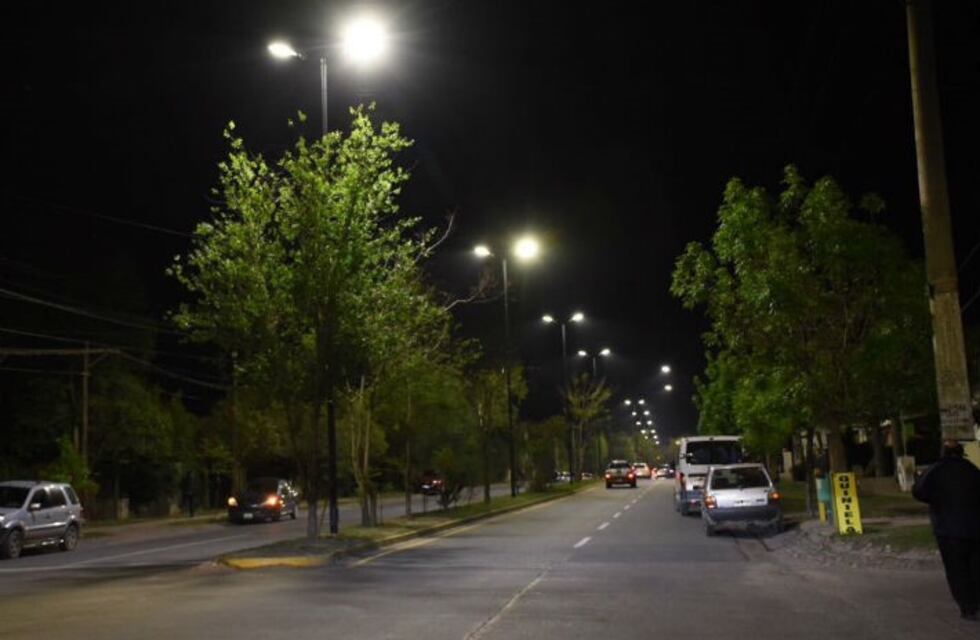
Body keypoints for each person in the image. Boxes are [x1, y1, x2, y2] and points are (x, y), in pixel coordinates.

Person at [913, 440, 980, 621]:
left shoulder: (935, 470)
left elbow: (918, 491)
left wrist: (937, 499)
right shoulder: (971, 469)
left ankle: (968, 607)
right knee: (975, 566)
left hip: (947, 529)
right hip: (974, 528)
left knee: (956, 569)